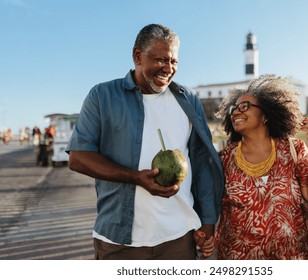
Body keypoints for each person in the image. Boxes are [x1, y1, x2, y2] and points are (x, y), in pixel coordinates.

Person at [65, 23, 223, 260]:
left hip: (179, 236)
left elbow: (201, 163)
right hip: (119, 240)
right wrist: (136, 178)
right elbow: (79, 158)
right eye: (160, 60)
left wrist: (208, 220)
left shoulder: (188, 99)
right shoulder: (102, 96)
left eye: (174, 61)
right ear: (138, 56)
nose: (168, 68)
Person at [214, 74, 308, 260]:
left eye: (244, 106)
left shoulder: (293, 150)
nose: (236, 112)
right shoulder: (225, 159)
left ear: (265, 115)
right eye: (233, 109)